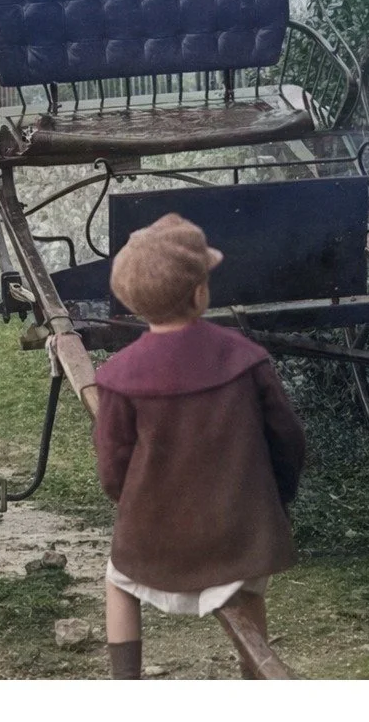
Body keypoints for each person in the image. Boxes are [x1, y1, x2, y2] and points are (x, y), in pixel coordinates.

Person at [92, 213, 306, 680]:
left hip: (154, 538)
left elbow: (113, 468)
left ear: (130, 299)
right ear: (200, 292)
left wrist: (132, 508)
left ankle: (125, 683)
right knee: (247, 590)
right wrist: (276, 499)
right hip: (239, 529)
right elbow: (288, 440)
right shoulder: (244, 359)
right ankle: (256, 676)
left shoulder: (118, 376)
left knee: (119, 581)